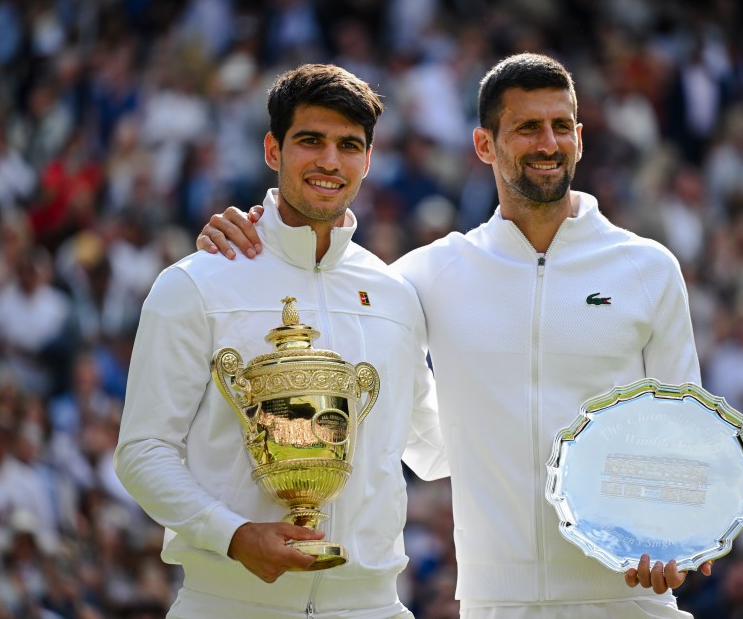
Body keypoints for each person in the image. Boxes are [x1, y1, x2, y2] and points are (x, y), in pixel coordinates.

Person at [198, 53, 711, 618]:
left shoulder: (648, 268)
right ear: (484, 145)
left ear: (580, 138)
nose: (548, 143)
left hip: (633, 596)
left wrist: (676, 536)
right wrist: (260, 238)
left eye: (561, 126)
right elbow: (327, 289)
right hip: (495, 604)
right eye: (526, 127)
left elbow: (683, 431)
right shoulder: (425, 275)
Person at [114, 63, 448, 619]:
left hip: (372, 605)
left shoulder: (395, 295)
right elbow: (142, 453)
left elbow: (434, 449)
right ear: (273, 149)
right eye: (310, 141)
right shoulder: (196, 282)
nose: (329, 161)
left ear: (368, 159)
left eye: (349, 145)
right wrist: (235, 535)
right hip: (225, 602)